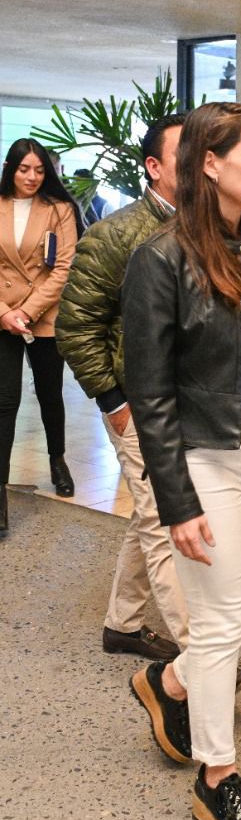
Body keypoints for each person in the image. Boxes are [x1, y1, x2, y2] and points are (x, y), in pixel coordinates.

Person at [122, 102, 241, 820]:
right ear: (211, 164)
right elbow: (151, 391)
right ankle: (216, 777)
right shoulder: (159, 260)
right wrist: (176, 499)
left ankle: (170, 684)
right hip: (201, 460)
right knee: (223, 623)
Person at [57, 117, 189, 663]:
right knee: (165, 516)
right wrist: (114, 403)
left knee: (149, 513)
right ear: (153, 167)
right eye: (185, 154)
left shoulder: (211, 230)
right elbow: (75, 326)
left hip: (190, 403)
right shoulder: (116, 234)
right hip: (137, 404)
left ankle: (122, 625)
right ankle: (201, 655)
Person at [0, 138, 82, 537]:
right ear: (10, 169)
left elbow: (64, 267)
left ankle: (57, 460)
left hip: (43, 314)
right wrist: (5, 313)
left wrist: (27, 311)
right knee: (4, 402)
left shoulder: (60, 208)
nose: (32, 177)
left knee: (50, 393)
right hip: (2, 317)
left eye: (38, 170)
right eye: (24, 169)